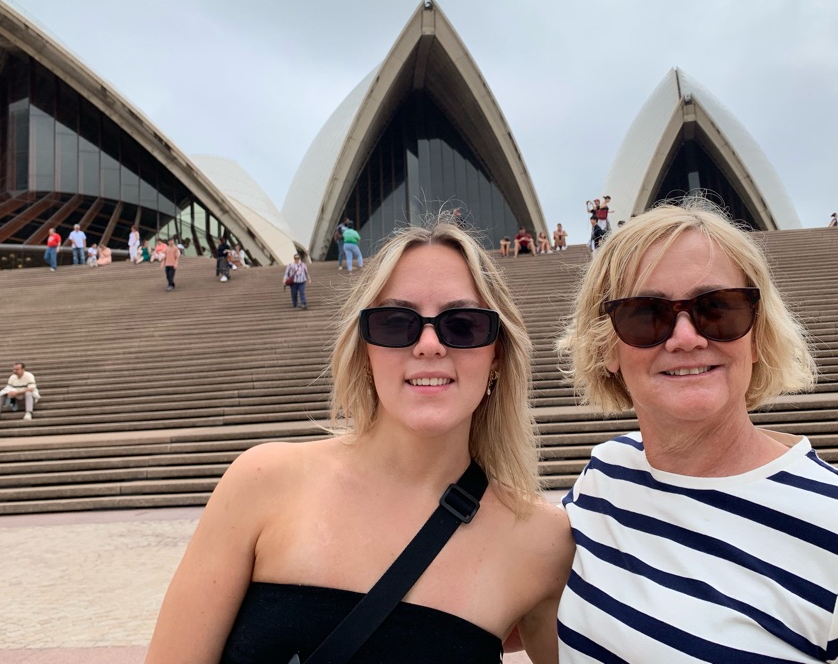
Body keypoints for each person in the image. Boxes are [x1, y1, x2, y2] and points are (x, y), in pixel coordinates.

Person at [556, 197, 838, 662]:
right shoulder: (606, 475)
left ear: (758, 335)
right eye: (645, 314)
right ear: (606, 348)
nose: (686, 338)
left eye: (718, 308)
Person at [145, 221, 573, 664]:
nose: (429, 345)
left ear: (497, 354)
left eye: (463, 325)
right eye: (395, 323)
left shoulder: (541, 543)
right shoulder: (262, 483)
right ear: (365, 349)